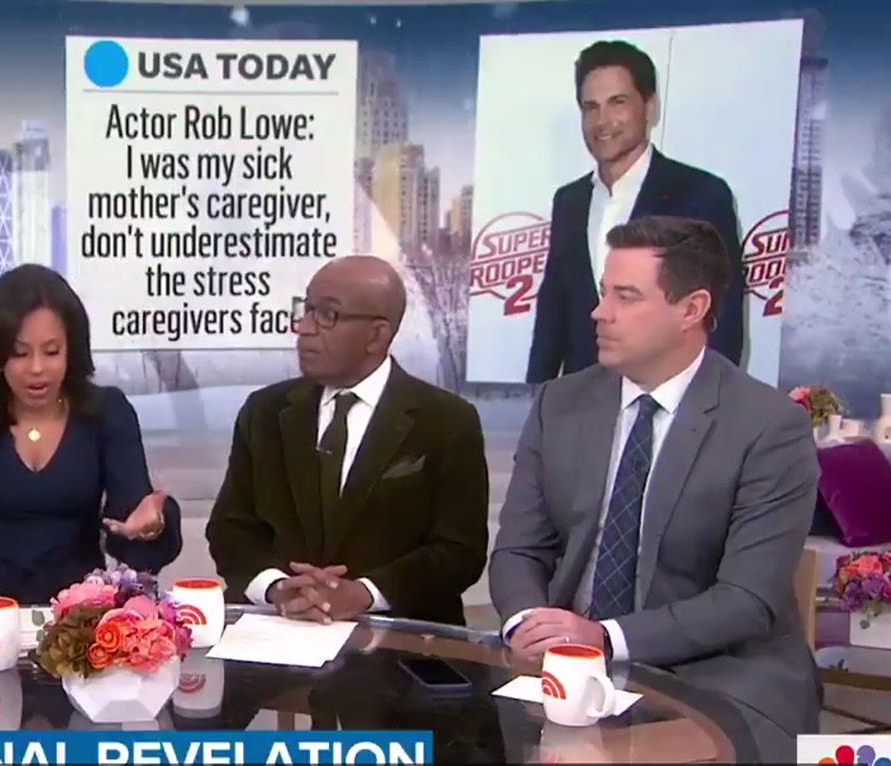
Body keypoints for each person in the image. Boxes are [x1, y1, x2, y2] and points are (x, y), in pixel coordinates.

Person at [490, 216, 819, 760]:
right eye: (603, 293)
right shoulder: (560, 403)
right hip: (567, 669)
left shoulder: (768, 426)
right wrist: (529, 622)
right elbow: (520, 549)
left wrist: (604, 637)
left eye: (626, 297)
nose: (600, 313)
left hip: (718, 672)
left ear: (691, 309)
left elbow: (746, 601)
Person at [204, 255, 489, 626]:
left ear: (377, 335)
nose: (304, 328)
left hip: (398, 637)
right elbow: (230, 528)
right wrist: (277, 587)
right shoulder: (265, 411)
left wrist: (365, 593)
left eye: (327, 314)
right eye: (306, 310)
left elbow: (460, 550)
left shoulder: (448, 420)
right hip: (276, 630)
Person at [0, 264, 181, 609]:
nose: (37, 369)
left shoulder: (107, 412)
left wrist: (150, 526)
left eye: (51, 351)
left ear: (71, 350)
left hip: (74, 616)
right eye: (19, 353)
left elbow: (131, 524)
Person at [526, 40, 744, 384]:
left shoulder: (701, 194)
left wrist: (706, 406)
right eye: (590, 107)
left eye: (618, 102)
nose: (602, 121)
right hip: (582, 401)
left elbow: (723, 319)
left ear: (650, 107)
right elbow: (554, 313)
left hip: (666, 401)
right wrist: (539, 397)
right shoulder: (569, 201)